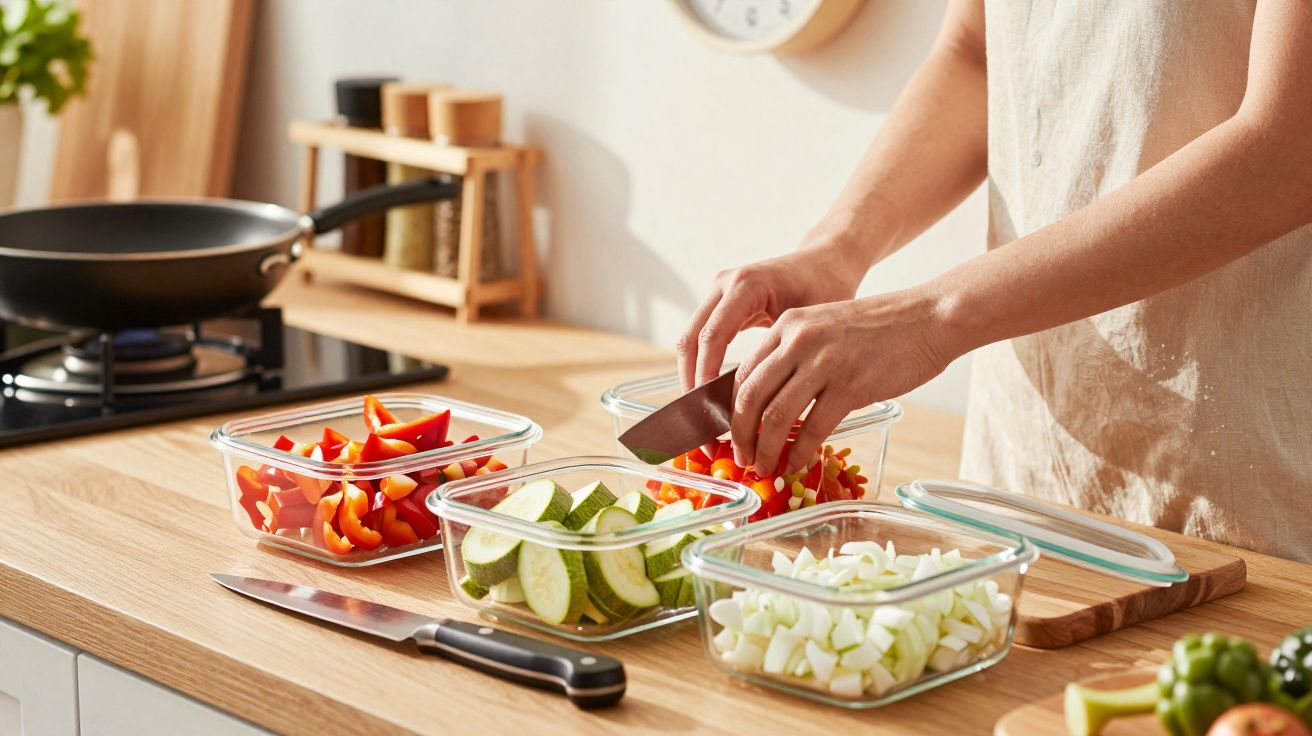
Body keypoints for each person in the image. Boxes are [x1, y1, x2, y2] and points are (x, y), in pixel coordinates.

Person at [676, 0, 1312, 562]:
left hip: (1237, 485)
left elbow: (1291, 145)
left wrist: (930, 318)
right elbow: (976, 56)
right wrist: (835, 250)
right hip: (1017, 474)